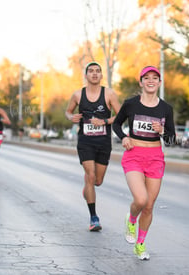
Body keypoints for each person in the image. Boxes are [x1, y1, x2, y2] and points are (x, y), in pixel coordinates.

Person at [112, 66, 176, 260]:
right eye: (146, 78)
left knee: (149, 206)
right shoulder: (131, 104)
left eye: (154, 78)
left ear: (159, 82)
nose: (150, 81)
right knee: (140, 200)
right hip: (134, 154)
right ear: (141, 82)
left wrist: (162, 131)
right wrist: (123, 137)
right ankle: (131, 219)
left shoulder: (166, 109)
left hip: (155, 156)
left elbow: (172, 141)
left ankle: (140, 244)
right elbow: (116, 123)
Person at [65, 62, 121, 231]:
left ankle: (88, 190)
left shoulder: (109, 94)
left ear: (101, 75)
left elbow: (121, 116)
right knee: (90, 176)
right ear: (86, 75)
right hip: (85, 142)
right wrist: (71, 117)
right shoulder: (77, 95)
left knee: (97, 181)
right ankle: (93, 218)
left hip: (104, 142)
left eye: (98, 71)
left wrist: (104, 121)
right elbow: (68, 112)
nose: (94, 74)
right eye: (91, 71)